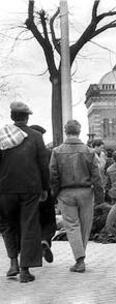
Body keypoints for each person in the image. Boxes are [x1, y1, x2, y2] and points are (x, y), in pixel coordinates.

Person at [0, 102, 49, 283]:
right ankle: (25, 270)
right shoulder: (36, 136)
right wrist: (45, 188)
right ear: (27, 117)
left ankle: (13, 262)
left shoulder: (3, 135)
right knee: (29, 226)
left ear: (12, 117)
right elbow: (43, 165)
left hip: (5, 189)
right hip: (30, 188)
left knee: (7, 225)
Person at [49, 120, 102, 273]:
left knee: (72, 226)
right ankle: (81, 257)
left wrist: (55, 193)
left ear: (66, 131)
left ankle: (79, 259)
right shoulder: (89, 151)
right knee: (85, 226)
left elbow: (53, 175)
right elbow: (96, 176)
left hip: (65, 193)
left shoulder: (57, 151)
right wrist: (99, 196)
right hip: (86, 192)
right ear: (79, 132)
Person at [29, 124, 57, 263]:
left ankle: (35, 248)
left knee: (32, 221)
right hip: (46, 192)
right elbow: (52, 172)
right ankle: (45, 240)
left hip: (28, 193)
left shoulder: (23, 152)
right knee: (50, 221)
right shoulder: (48, 153)